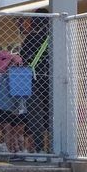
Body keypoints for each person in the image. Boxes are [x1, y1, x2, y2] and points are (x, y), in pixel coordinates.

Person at [20, 10, 51, 161]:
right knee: (49, 114)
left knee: (35, 115)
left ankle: (38, 149)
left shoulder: (30, 38)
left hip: (32, 81)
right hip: (51, 81)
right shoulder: (52, 38)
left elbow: (23, 58)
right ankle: (51, 148)